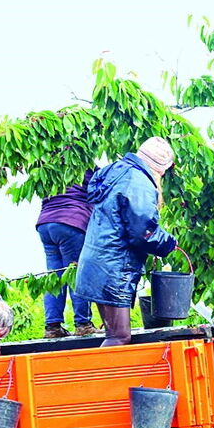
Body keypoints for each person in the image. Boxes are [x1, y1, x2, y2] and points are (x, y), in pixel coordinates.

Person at [74, 137, 177, 347]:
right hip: (114, 267)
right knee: (118, 337)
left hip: (97, 262)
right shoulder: (139, 182)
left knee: (113, 334)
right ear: (160, 167)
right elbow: (143, 231)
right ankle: (102, 380)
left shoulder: (116, 172)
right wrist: (167, 243)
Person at [36, 168, 98, 338]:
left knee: (54, 277)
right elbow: (101, 189)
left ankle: (52, 327)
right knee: (76, 273)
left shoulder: (48, 164)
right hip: (72, 221)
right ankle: (83, 324)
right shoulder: (84, 164)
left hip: (45, 223)